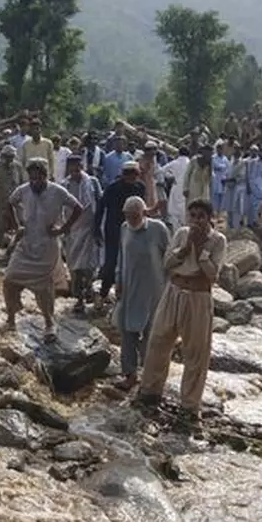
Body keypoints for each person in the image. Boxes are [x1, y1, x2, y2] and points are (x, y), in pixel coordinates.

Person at [135, 199, 225, 433]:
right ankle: (150, 391)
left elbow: (213, 275)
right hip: (174, 292)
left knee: (196, 352)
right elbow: (167, 263)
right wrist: (185, 249)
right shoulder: (182, 233)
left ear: (209, 218)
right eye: (192, 215)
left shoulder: (218, 241)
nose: (196, 221)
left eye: (201, 216)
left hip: (198, 297)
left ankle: (190, 406)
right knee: (158, 341)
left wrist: (201, 252)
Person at [3, 158, 83, 341]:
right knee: (9, 280)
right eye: (31, 179)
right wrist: (17, 226)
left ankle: (49, 323)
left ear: (45, 177)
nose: (34, 183)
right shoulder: (23, 190)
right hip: (26, 244)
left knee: (44, 288)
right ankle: (11, 319)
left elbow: (78, 208)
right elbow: (9, 204)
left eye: (38, 179)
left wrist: (63, 229)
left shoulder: (58, 191)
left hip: (47, 246)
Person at [113, 196, 171, 391]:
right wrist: (118, 280)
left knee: (151, 334)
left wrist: (170, 287)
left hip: (153, 291)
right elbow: (121, 257)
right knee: (126, 332)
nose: (132, 220)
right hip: (129, 289)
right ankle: (129, 374)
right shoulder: (124, 228)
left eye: (135, 216)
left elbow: (170, 258)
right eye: (128, 216)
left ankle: (149, 377)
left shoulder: (158, 230)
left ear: (144, 213)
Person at [95, 161, 145, 308]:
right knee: (111, 263)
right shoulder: (112, 188)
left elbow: (142, 208)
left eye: (134, 173)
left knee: (133, 262)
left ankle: (128, 296)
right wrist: (96, 229)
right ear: (122, 174)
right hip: (114, 229)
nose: (131, 176)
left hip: (134, 229)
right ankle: (103, 294)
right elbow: (100, 207)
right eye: (128, 173)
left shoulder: (140, 187)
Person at [60, 154, 101, 313]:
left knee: (89, 265)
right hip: (72, 229)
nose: (76, 168)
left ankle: (89, 289)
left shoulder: (92, 183)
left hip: (89, 229)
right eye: (73, 166)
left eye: (78, 165)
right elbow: (61, 207)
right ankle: (79, 298)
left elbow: (99, 204)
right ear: (69, 168)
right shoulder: (65, 185)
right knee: (74, 266)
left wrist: (98, 229)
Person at [0, 144, 25, 260]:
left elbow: (22, 184)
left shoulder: (18, 167)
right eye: (7, 156)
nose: (9, 159)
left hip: (14, 204)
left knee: (18, 228)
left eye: (12, 157)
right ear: (3, 156)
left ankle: (13, 252)